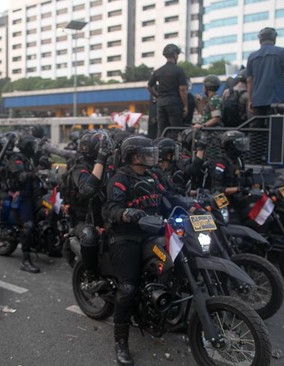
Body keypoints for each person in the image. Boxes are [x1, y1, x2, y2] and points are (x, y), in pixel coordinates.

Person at [103, 135, 188, 366]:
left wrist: (192, 204)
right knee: (128, 288)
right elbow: (112, 208)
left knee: (178, 262)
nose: (152, 156)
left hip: (153, 232)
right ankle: (121, 341)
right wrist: (129, 214)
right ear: (134, 156)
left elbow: (168, 196)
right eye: (147, 153)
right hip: (126, 237)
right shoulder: (120, 180)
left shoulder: (151, 177)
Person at [65, 131, 113, 292]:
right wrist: (100, 159)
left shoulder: (108, 165)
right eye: (101, 148)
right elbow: (87, 189)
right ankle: (91, 277)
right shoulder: (80, 167)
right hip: (82, 219)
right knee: (89, 235)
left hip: (103, 216)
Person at [0, 135, 41, 273]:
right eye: (32, 146)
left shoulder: (29, 159)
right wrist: (34, 174)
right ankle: (25, 259)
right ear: (27, 147)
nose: (34, 148)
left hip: (33, 194)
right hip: (22, 195)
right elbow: (21, 176)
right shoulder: (16, 159)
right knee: (28, 226)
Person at [246, 27, 284, 117]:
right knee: (275, 127)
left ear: (260, 39)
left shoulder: (252, 57)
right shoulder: (281, 52)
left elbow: (249, 80)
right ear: (274, 39)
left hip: (257, 101)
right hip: (275, 100)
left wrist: (250, 100)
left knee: (258, 128)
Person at [147, 44, 188, 138]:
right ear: (175, 55)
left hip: (161, 103)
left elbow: (149, 86)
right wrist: (185, 106)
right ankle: (175, 150)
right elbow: (182, 89)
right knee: (176, 130)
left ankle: (160, 149)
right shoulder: (179, 70)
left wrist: (158, 96)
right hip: (174, 102)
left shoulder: (158, 71)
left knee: (161, 130)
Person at [211, 130, 253, 202]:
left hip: (237, 199)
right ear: (230, 145)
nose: (242, 145)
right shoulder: (221, 163)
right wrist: (237, 189)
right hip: (222, 200)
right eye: (239, 143)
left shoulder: (239, 160)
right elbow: (216, 189)